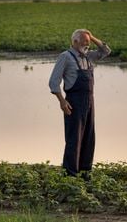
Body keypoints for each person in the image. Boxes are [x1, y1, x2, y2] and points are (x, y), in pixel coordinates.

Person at [49, 29, 111, 179]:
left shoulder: (89, 56)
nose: (87, 45)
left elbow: (106, 51)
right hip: (73, 102)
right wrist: (62, 102)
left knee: (89, 137)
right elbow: (53, 82)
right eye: (84, 42)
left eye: (88, 42)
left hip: (90, 101)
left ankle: (85, 172)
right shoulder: (65, 57)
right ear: (74, 41)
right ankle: (69, 175)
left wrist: (91, 36)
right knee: (74, 139)